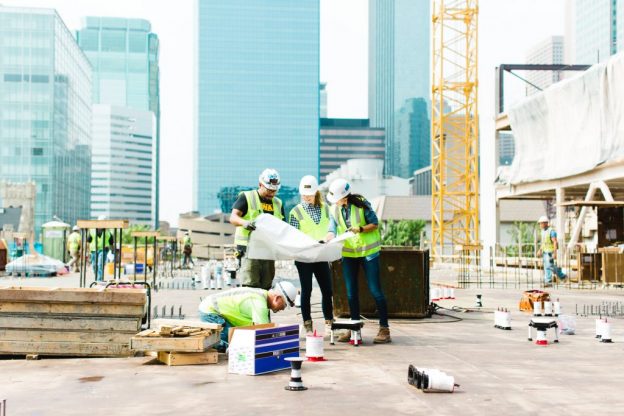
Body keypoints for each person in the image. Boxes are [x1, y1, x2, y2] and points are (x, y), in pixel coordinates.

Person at [324, 178, 391, 344]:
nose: (336, 202)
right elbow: (332, 227)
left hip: (368, 252)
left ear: (344, 197)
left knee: (375, 290)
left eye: (337, 199)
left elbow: (374, 223)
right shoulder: (334, 209)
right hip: (349, 253)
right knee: (351, 293)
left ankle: (384, 329)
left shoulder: (362, 204)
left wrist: (360, 229)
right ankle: (354, 329)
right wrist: (329, 237)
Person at [289, 175, 334, 334]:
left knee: (327, 290)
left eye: (309, 193)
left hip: (321, 255)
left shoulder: (326, 209)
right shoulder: (296, 212)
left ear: (316, 192)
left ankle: (329, 322)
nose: (306, 196)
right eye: (304, 194)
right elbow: (293, 236)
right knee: (306, 290)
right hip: (304, 257)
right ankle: (307, 323)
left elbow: (332, 229)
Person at [198, 280, 297, 352]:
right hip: (211, 313)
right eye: (284, 305)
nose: (283, 309)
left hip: (214, 311)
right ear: (277, 298)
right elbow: (263, 334)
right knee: (234, 347)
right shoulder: (260, 304)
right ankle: (201, 341)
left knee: (242, 341)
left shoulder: (261, 295)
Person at [229, 168, 285, 290]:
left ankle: (264, 309)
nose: (271, 193)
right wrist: (244, 223)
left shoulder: (278, 203)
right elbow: (233, 217)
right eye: (269, 190)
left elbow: (282, 227)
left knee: (266, 286)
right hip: (249, 250)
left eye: (274, 191)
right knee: (251, 285)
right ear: (260, 184)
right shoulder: (247, 197)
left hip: (268, 250)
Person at [536, 216, 567, 286]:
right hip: (545, 251)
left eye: (541, 223)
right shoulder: (543, 232)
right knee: (549, 266)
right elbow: (543, 242)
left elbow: (555, 242)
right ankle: (562, 276)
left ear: (545, 223)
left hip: (550, 252)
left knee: (549, 266)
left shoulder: (552, 231)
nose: (540, 225)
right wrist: (540, 250)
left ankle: (548, 281)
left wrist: (555, 253)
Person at [87, 215, 113, 281]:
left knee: (100, 265)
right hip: (93, 250)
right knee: (94, 266)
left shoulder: (108, 232)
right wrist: (87, 251)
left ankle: (99, 281)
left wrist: (112, 251)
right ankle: (97, 278)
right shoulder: (92, 231)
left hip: (103, 250)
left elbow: (111, 242)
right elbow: (88, 241)